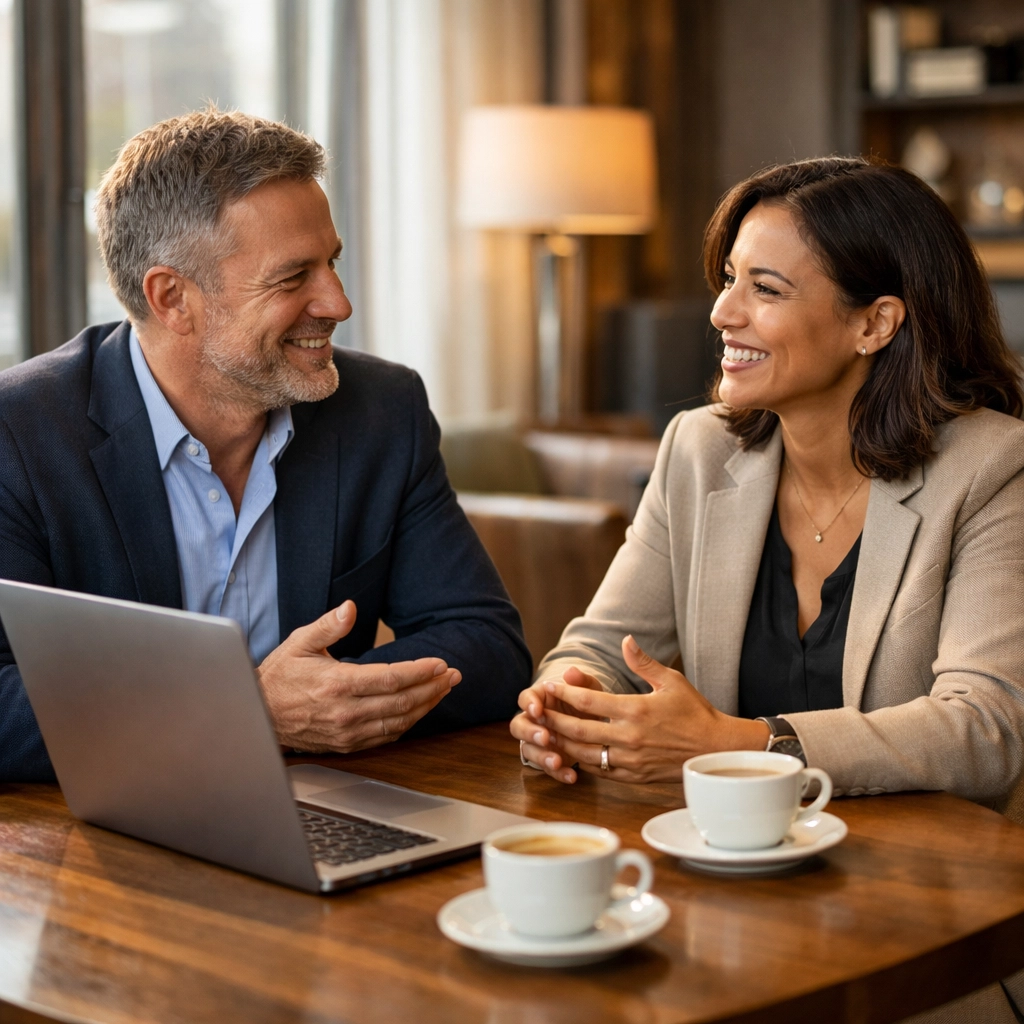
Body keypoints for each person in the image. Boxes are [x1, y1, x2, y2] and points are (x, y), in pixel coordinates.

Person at [0, 108, 531, 782]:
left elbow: (488, 647)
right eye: (293, 277)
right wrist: (246, 710)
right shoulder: (17, 435)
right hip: (103, 845)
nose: (337, 303)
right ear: (172, 299)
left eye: (332, 264)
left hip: (325, 809)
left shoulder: (380, 411)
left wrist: (316, 710)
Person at [512, 157, 1024, 809]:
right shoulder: (699, 448)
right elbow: (602, 648)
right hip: (730, 862)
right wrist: (560, 703)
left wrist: (746, 746)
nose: (723, 312)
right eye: (729, 280)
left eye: (766, 289)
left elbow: (985, 731)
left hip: (916, 877)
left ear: (875, 324)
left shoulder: (993, 467)